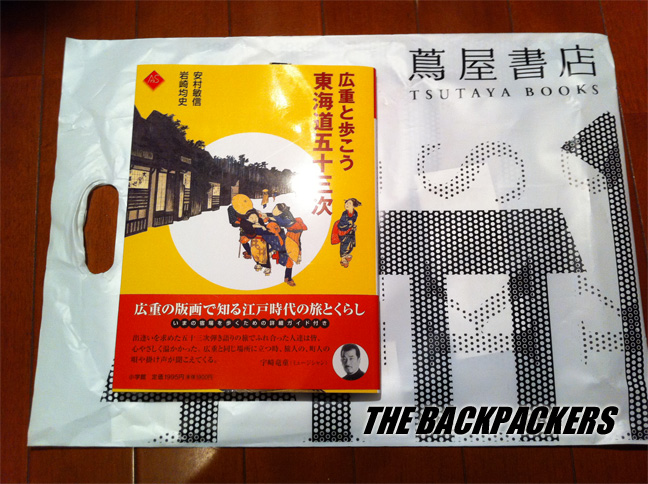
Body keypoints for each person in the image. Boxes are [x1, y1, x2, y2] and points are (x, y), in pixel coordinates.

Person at [268, 203, 308, 286]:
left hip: (293, 234)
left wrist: (270, 218)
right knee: (289, 257)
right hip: (291, 234)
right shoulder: (282, 215)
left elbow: (282, 221)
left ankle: (288, 277)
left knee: (290, 255)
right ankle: (288, 277)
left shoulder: (286, 217)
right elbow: (274, 217)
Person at [331, 198, 361, 268]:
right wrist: (349, 224)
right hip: (343, 230)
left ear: (353, 206)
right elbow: (342, 224)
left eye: (349, 203)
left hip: (350, 230)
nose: (347, 205)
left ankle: (347, 254)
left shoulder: (355, 213)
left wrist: (352, 225)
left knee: (351, 242)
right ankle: (343, 258)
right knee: (344, 243)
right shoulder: (344, 214)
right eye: (346, 203)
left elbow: (353, 221)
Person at [228, 194, 254, 259]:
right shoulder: (232, 208)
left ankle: (249, 252)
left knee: (244, 240)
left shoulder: (248, 207)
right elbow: (234, 222)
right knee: (243, 240)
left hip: (250, 225)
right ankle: (249, 252)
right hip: (244, 225)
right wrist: (238, 222)